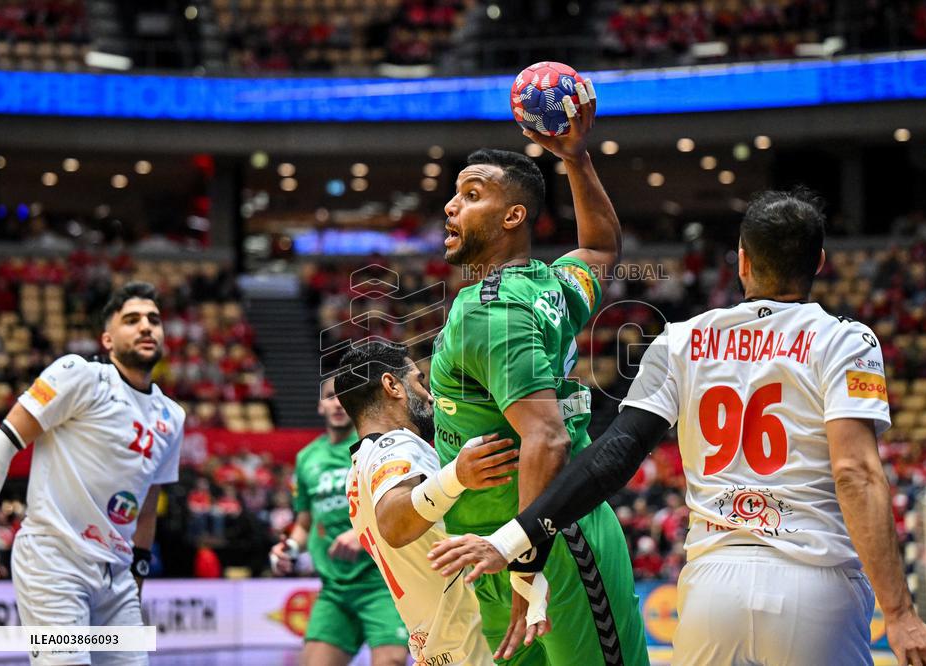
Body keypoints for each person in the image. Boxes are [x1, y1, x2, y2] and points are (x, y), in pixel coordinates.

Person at [429, 189, 926, 666]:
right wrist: (900, 613)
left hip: (711, 588)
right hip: (814, 581)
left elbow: (614, 456)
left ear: (742, 261)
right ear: (818, 262)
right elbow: (856, 473)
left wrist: (514, 537)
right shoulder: (846, 341)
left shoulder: (681, 340)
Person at [428, 79, 649, 665]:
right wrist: (574, 158)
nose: (452, 206)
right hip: (497, 551)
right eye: (455, 194)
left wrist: (527, 567)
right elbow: (601, 246)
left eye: (472, 195)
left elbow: (546, 437)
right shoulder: (553, 285)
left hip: (547, 548)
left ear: (513, 217)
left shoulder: (494, 310)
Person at [0, 282, 184, 666]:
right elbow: (5, 441)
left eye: (154, 320)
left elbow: (148, 507)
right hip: (54, 563)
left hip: (116, 579)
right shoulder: (80, 376)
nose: (146, 327)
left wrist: (138, 574)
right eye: (131, 320)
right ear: (108, 339)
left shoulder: (172, 416)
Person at [337, 341, 532, 665]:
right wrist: (457, 475)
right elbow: (394, 524)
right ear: (391, 385)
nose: (429, 395)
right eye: (419, 381)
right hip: (471, 646)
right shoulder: (395, 444)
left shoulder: (357, 471)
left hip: (436, 648)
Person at [269, 375, 407, 666]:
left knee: (391, 661)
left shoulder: (376, 447)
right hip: (335, 589)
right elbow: (305, 522)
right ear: (320, 405)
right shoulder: (307, 458)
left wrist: (363, 534)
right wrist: (290, 549)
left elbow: (402, 509)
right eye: (331, 396)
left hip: (381, 584)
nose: (338, 402)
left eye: (345, 396)